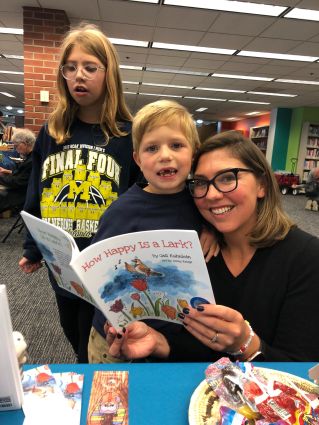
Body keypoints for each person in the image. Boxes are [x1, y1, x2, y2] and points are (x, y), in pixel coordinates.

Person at [105, 130, 319, 362]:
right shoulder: (198, 255)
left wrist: (246, 344)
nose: (213, 195)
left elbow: (303, 374)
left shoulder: (306, 258)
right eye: (200, 183)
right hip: (200, 394)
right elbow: (198, 347)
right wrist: (158, 342)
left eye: (227, 177)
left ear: (262, 185)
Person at [18, 23, 141, 363]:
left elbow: (141, 197)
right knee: (72, 334)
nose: (78, 76)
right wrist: (32, 246)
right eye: (70, 68)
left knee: (99, 345)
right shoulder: (52, 131)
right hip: (61, 262)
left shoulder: (126, 135)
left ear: (108, 73)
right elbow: (36, 191)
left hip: (106, 265)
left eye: (89, 67)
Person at [88, 99, 216, 363]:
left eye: (177, 145)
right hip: (119, 337)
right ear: (138, 158)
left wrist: (213, 230)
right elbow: (98, 270)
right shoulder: (122, 211)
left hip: (174, 337)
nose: (165, 155)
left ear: (193, 153)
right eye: (152, 148)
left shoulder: (201, 202)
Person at [0, 128, 36, 215]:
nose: (15, 149)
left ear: (24, 144)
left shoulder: (31, 161)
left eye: (16, 146)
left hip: (21, 196)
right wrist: (7, 171)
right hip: (21, 191)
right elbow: (22, 175)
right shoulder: (31, 157)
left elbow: (18, 182)